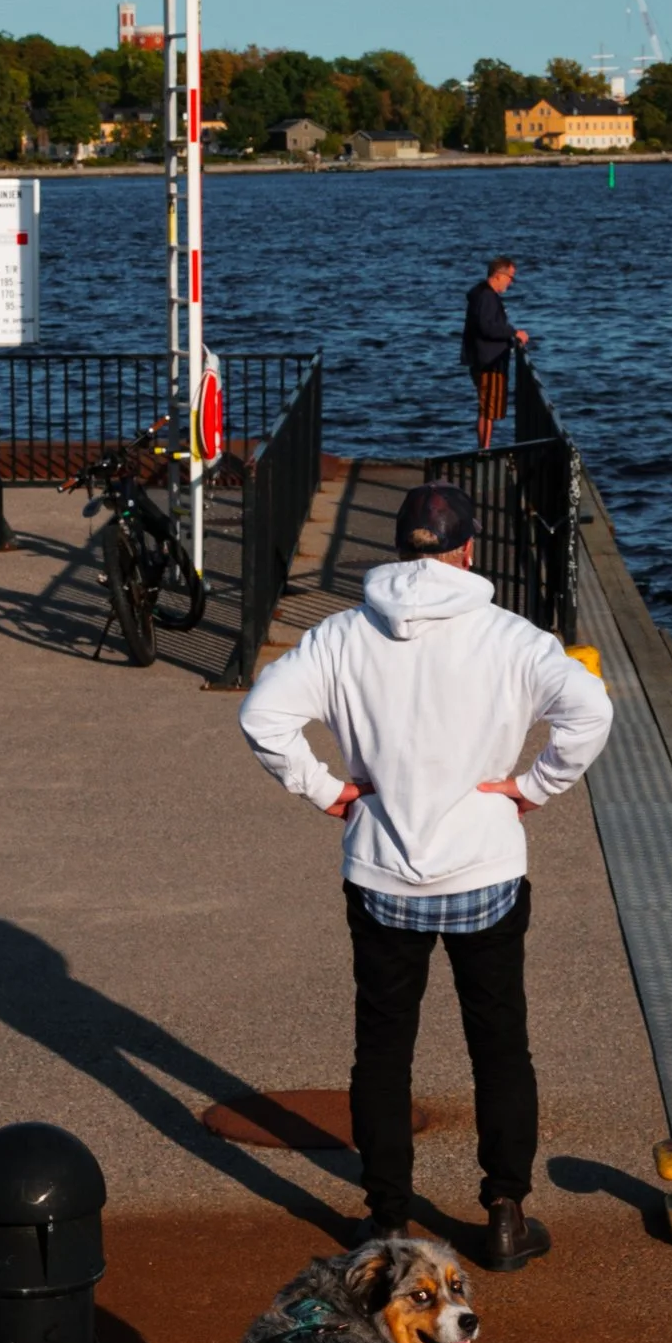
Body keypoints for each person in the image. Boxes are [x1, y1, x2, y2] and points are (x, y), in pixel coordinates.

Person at [238, 477, 611, 1271]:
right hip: (486, 869)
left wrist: (331, 791)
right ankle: (506, 1212)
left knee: (383, 1049)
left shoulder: (342, 635)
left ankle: (385, 1220)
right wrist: (531, 787)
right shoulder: (512, 638)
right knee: (500, 1044)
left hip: (381, 875)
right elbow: (591, 713)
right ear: (469, 549)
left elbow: (262, 717)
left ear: (398, 548)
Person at [459, 255, 527, 448]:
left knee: (487, 408)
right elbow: (487, 327)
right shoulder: (487, 297)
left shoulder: (481, 294)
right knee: (488, 410)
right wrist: (513, 333)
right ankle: (484, 451)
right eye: (510, 277)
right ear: (499, 275)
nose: (511, 282)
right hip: (489, 360)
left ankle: (484, 448)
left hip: (483, 357)